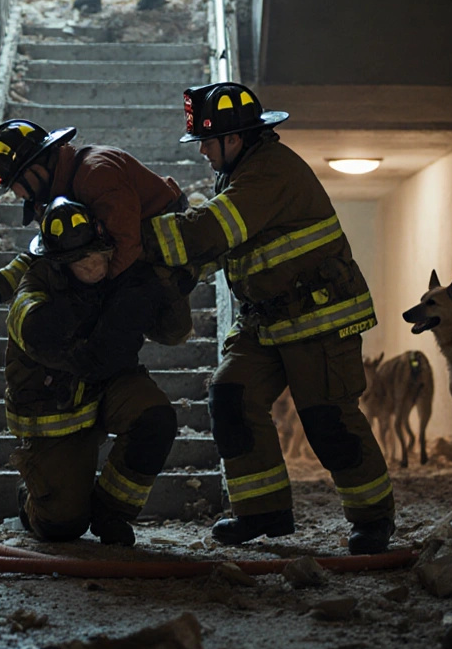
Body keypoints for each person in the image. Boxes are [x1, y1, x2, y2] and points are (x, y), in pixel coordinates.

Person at [142, 82, 397, 554]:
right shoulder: (241, 172)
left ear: (234, 139)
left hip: (320, 318)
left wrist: (141, 233)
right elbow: (229, 247)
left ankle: (374, 519)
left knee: (328, 420)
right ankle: (263, 513)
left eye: (206, 141)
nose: (201, 151)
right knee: (231, 395)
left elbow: (216, 228)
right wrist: (176, 276)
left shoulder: (271, 173)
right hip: (267, 321)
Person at [6, 197, 176, 546]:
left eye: (100, 254)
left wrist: (164, 292)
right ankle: (32, 501)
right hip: (57, 410)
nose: (97, 267)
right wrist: (84, 308)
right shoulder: (36, 286)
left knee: (155, 418)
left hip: (106, 387)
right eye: (84, 261)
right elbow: (38, 332)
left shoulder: (117, 275)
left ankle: (110, 512)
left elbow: (172, 330)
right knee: (62, 528)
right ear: (60, 264)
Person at [0, 119, 192, 345]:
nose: (16, 195)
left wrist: (88, 298)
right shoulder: (58, 194)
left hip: (156, 256)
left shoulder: (96, 176)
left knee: (128, 321)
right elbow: (48, 256)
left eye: (15, 185)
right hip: (128, 258)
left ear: (33, 171)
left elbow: (127, 248)